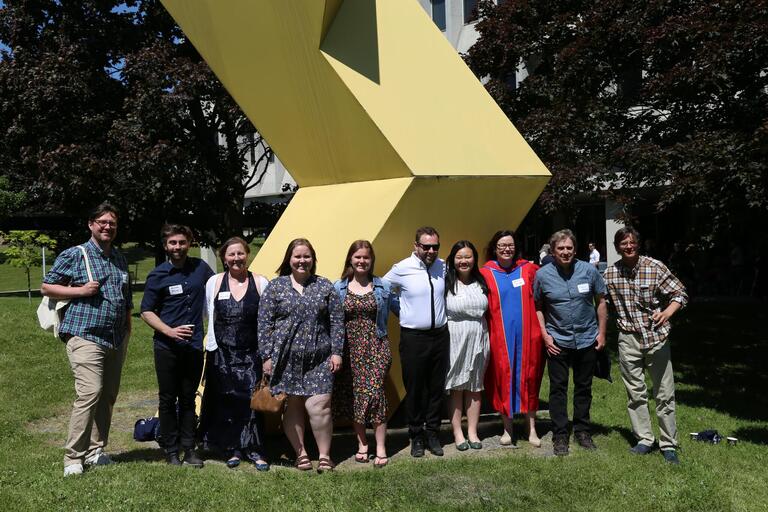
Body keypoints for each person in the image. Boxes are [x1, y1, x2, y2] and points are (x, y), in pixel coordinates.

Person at [41, 202, 132, 477]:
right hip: (84, 333)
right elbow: (47, 286)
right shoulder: (75, 254)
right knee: (90, 392)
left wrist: (128, 327)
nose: (107, 227)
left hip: (116, 336)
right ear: (91, 224)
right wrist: (80, 291)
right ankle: (73, 458)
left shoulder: (119, 257)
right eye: (102, 222)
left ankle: (95, 452)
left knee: (107, 396)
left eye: (112, 223)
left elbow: (125, 295)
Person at [258, 238, 344, 473]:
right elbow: (264, 323)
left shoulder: (324, 286)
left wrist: (337, 352)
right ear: (289, 259)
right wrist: (266, 356)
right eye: (297, 256)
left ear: (313, 260)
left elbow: (337, 322)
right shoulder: (276, 287)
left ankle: (325, 455)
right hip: (285, 359)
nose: (302, 261)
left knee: (320, 406)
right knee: (293, 405)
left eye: (307, 256)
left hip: (320, 358)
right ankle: (301, 453)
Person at [603, 227, 688, 464]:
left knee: (664, 393)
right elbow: (598, 302)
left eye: (632, 243)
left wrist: (668, 313)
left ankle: (668, 444)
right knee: (635, 392)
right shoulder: (610, 274)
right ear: (617, 246)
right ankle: (644, 439)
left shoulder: (655, 267)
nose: (628, 247)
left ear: (638, 244)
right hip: (628, 339)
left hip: (656, 338)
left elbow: (680, 293)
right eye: (623, 243)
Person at [140, 224, 214, 467]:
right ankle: (171, 450)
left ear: (189, 243)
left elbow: (216, 290)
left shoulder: (201, 269)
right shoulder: (158, 275)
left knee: (188, 398)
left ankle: (189, 448)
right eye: (173, 243)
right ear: (165, 246)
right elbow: (146, 311)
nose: (178, 247)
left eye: (182, 242)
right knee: (167, 399)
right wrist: (169, 331)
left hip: (193, 346)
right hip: (166, 347)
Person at [534, 229, 607, 456]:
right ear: (553, 251)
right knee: (558, 389)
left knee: (584, 388)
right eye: (560, 248)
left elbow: (601, 301)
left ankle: (582, 431)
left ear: (575, 249)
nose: (565, 252)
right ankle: (560, 434)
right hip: (558, 340)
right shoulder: (543, 275)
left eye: (569, 248)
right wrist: (545, 336)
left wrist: (602, 333)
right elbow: (537, 307)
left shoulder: (588, 271)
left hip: (587, 338)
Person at [200, 237, 270, 471]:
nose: (236, 258)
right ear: (224, 258)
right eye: (231, 254)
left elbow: (268, 320)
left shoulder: (261, 282)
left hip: (253, 354)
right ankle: (232, 448)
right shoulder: (214, 282)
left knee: (253, 401)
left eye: (240, 253)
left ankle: (256, 450)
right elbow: (208, 314)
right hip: (222, 353)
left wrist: (268, 354)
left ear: (247, 254)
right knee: (227, 400)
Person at [383, 226, 449, 457]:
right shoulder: (402, 268)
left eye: (435, 246)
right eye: (426, 246)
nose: (431, 251)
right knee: (415, 388)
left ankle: (433, 432)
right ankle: (416, 435)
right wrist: (399, 309)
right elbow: (382, 288)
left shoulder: (443, 266)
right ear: (416, 246)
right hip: (414, 337)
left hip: (440, 335)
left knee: (436, 387)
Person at [332, 240, 397, 468]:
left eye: (366, 257)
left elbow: (402, 311)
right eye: (357, 257)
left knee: (375, 394)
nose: (362, 261)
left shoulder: (382, 287)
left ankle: (380, 446)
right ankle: (362, 444)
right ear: (350, 259)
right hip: (349, 350)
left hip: (376, 347)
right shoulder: (338, 287)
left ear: (372, 260)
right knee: (355, 397)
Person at [481, 230, 545, 447]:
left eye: (510, 245)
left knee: (530, 378)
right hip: (500, 338)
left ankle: (532, 429)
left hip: (529, 336)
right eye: (502, 245)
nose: (506, 249)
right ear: (494, 248)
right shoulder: (486, 273)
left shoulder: (528, 269)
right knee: (503, 380)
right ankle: (508, 429)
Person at [444, 241, 489, 451]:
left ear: (474, 259)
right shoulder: (446, 283)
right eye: (460, 257)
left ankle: (472, 431)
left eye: (468, 257)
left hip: (479, 337)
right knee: (457, 387)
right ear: (453, 260)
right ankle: (457, 432)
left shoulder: (482, 282)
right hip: (455, 338)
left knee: (475, 386)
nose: (464, 261)